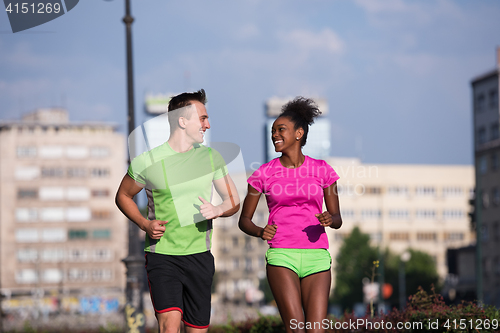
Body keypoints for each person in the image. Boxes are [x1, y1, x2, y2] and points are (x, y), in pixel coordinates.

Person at [115, 89, 240, 333]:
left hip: (200, 256)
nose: (208, 124)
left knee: (197, 330)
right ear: (183, 121)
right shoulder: (147, 161)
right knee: (169, 326)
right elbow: (123, 195)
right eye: (202, 118)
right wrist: (144, 224)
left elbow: (233, 200)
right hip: (162, 255)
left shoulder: (211, 158)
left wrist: (217, 210)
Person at [238, 97, 342, 333]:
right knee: (295, 329)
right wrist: (259, 231)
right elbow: (244, 220)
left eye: (280, 130)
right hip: (282, 256)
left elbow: (337, 219)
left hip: (317, 256)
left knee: (317, 330)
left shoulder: (323, 170)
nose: (275, 134)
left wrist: (330, 218)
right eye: (273, 131)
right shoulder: (262, 174)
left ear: (299, 133)